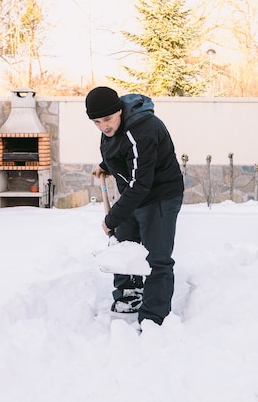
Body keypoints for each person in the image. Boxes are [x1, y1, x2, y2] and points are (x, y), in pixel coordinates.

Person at [85, 86, 184, 330]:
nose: (103, 126)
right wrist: (105, 163)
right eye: (97, 122)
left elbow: (141, 182)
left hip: (160, 195)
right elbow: (121, 148)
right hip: (136, 193)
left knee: (156, 256)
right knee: (124, 242)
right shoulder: (114, 126)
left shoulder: (143, 129)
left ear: (119, 110)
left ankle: (154, 317)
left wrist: (112, 218)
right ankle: (129, 294)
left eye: (107, 119)